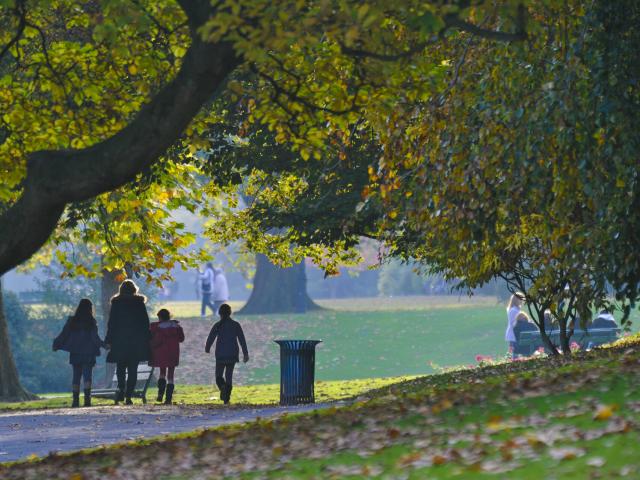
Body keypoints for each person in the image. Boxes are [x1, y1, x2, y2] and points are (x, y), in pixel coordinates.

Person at [105, 279, 151, 405]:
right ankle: (128, 395)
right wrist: (147, 339)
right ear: (134, 290)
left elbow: (112, 324)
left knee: (120, 367)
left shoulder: (116, 303)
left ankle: (121, 388)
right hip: (135, 342)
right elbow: (145, 323)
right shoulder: (139, 303)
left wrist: (108, 340)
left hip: (120, 341)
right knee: (132, 369)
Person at [53, 299, 105, 408]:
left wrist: (56, 344)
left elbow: (64, 334)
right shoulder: (91, 322)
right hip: (88, 353)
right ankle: (87, 400)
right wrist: (104, 345)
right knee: (87, 376)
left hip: (75, 352)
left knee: (76, 376)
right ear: (90, 309)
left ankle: (75, 401)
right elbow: (95, 338)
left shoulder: (72, 321)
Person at [204, 304, 249, 404]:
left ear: (220, 313)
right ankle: (226, 398)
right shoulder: (236, 325)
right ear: (230, 313)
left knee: (218, 376)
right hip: (232, 354)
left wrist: (207, 347)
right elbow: (242, 339)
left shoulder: (218, 325)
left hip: (220, 354)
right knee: (229, 376)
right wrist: (245, 353)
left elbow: (211, 337)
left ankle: (223, 388)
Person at [149, 308, 185, 404]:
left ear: (160, 317)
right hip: (173, 353)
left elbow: (151, 336)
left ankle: (160, 394)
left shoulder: (157, 327)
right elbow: (181, 339)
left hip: (161, 353)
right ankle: (168, 399)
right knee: (171, 376)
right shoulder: (176, 327)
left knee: (162, 373)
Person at [505, 292, 526, 358]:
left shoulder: (514, 309)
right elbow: (516, 322)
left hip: (515, 333)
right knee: (514, 352)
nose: (522, 301)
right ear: (516, 300)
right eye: (521, 299)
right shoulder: (514, 310)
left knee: (513, 351)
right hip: (514, 333)